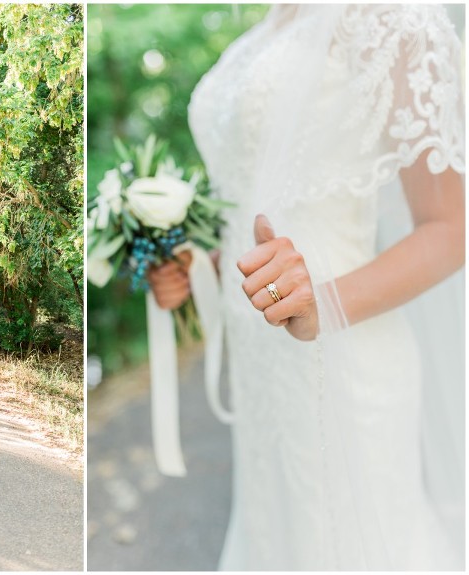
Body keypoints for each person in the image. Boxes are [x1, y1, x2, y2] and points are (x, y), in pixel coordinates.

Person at [148, 4, 463, 570]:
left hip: (346, 359)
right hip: (261, 379)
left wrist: (324, 300)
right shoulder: (260, 33)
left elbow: (451, 230)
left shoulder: (392, 17)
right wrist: (202, 269)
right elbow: (260, 210)